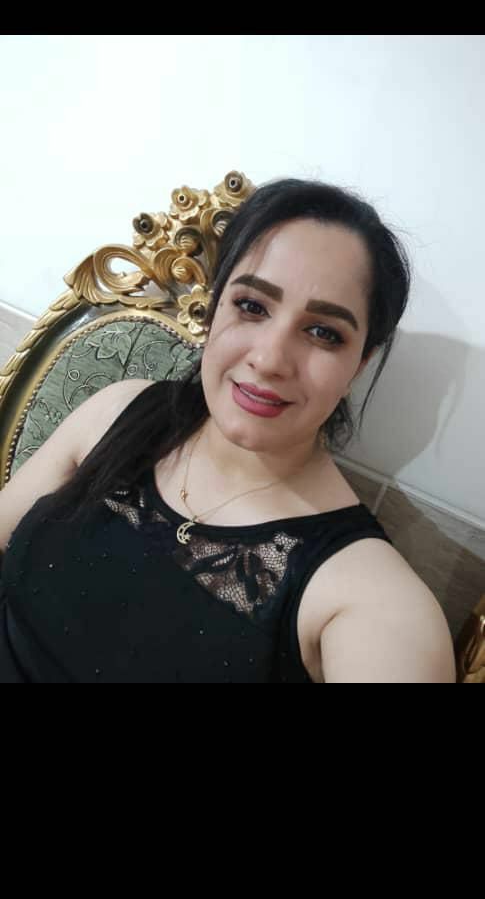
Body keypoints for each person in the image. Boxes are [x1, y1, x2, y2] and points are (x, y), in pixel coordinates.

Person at [0, 178, 456, 683]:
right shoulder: (118, 409)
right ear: (214, 307)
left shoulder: (369, 599)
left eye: (323, 332)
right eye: (252, 306)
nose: (269, 359)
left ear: (360, 363)